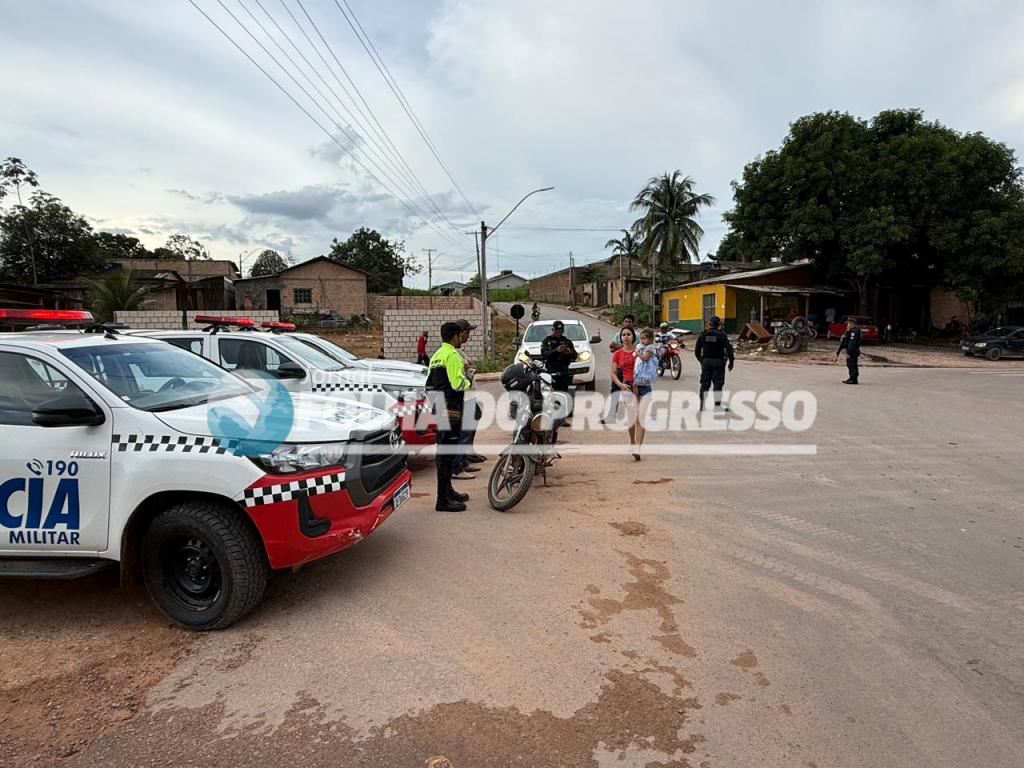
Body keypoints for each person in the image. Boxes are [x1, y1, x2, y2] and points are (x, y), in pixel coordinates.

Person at [426, 322, 473, 511]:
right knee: (447, 456)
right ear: (455, 336)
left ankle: (448, 491)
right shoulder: (452, 355)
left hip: (440, 409)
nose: (462, 338)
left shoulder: (437, 355)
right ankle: (442, 500)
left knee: (444, 454)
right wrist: (469, 378)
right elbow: (458, 385)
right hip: (451, 409)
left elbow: (428, 385)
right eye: (461, 335)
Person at [451, 319, 486, 480]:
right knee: (463, 432)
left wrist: (471, 368)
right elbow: (469, 369)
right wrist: (470, 370)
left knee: (475, 418)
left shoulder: (460, 352)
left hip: (469, 396)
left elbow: (471, 366)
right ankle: (457, 467)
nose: (468, 336)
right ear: (458, 334)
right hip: (464, 397)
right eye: (466, 333)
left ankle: (464, 460)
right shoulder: (455, 354)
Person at [601, 313, 637, 424]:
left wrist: (619, 347)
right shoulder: (618, 336)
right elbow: (611, 347)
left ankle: (631, 417)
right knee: (615, 392)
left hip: (633, 373)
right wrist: (622, 348)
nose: (627, 323)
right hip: (620, 370)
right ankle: (611, 416)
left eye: (629, 322)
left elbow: (639, 350)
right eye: (625, 321)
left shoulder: (638, 336)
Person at [694, 315, 735, 412]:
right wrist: (731, 362)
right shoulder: (721, 335)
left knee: (704, 383)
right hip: (718, 362)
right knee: (718, 384)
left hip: (706, 361)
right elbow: (729, 350)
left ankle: (702, 405)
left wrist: (701, 361)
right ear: (719, 324)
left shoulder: (703, 335)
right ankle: (717, 406)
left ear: (709, 324)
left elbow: (697, 351)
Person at [630, 329, 658, 460]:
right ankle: (634, 444)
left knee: (640, 418)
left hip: (645, 387)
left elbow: (645, 359)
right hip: (635, 385)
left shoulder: (649, 349)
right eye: (641, 338)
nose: (643, 341)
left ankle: (638, 448)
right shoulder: (639, 347)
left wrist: (638, 353)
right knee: (634, 418)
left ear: (651, 339)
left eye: (645, 338)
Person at [609, 326, 636, 443]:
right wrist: (621, 385)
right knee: (631, 414)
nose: (626, 337)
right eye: (623, 335)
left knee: (640, 416)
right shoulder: (617, 354)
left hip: (641, 385)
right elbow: (613, 373)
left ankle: (639, 442)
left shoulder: (639, 351)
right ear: (620, 338)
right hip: (627, 386)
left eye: (628, 334)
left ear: (633, 337)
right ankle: (633, 441)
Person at [540, 320, 578, 394]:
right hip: (552, 370)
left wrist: (569, 352)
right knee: (551, 392)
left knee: (563, 393)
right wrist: (556, 350)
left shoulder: (567, 342)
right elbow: (544, 354)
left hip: (563, 371)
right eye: (557, 331)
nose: (559, 333)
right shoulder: (547, 341)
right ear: (553, 330)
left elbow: (575, 356)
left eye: (560, 332)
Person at [836, 316, 862, 384]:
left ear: (852, 324)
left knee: (852, 364)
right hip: (851, 350)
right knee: (849, 364)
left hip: (853, 351)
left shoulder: (854, 331)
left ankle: (854, 379)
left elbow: (852, 343)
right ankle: (851, 377)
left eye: (848, 323)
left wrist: (849, 352)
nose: (847, 325)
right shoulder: (850, 331)